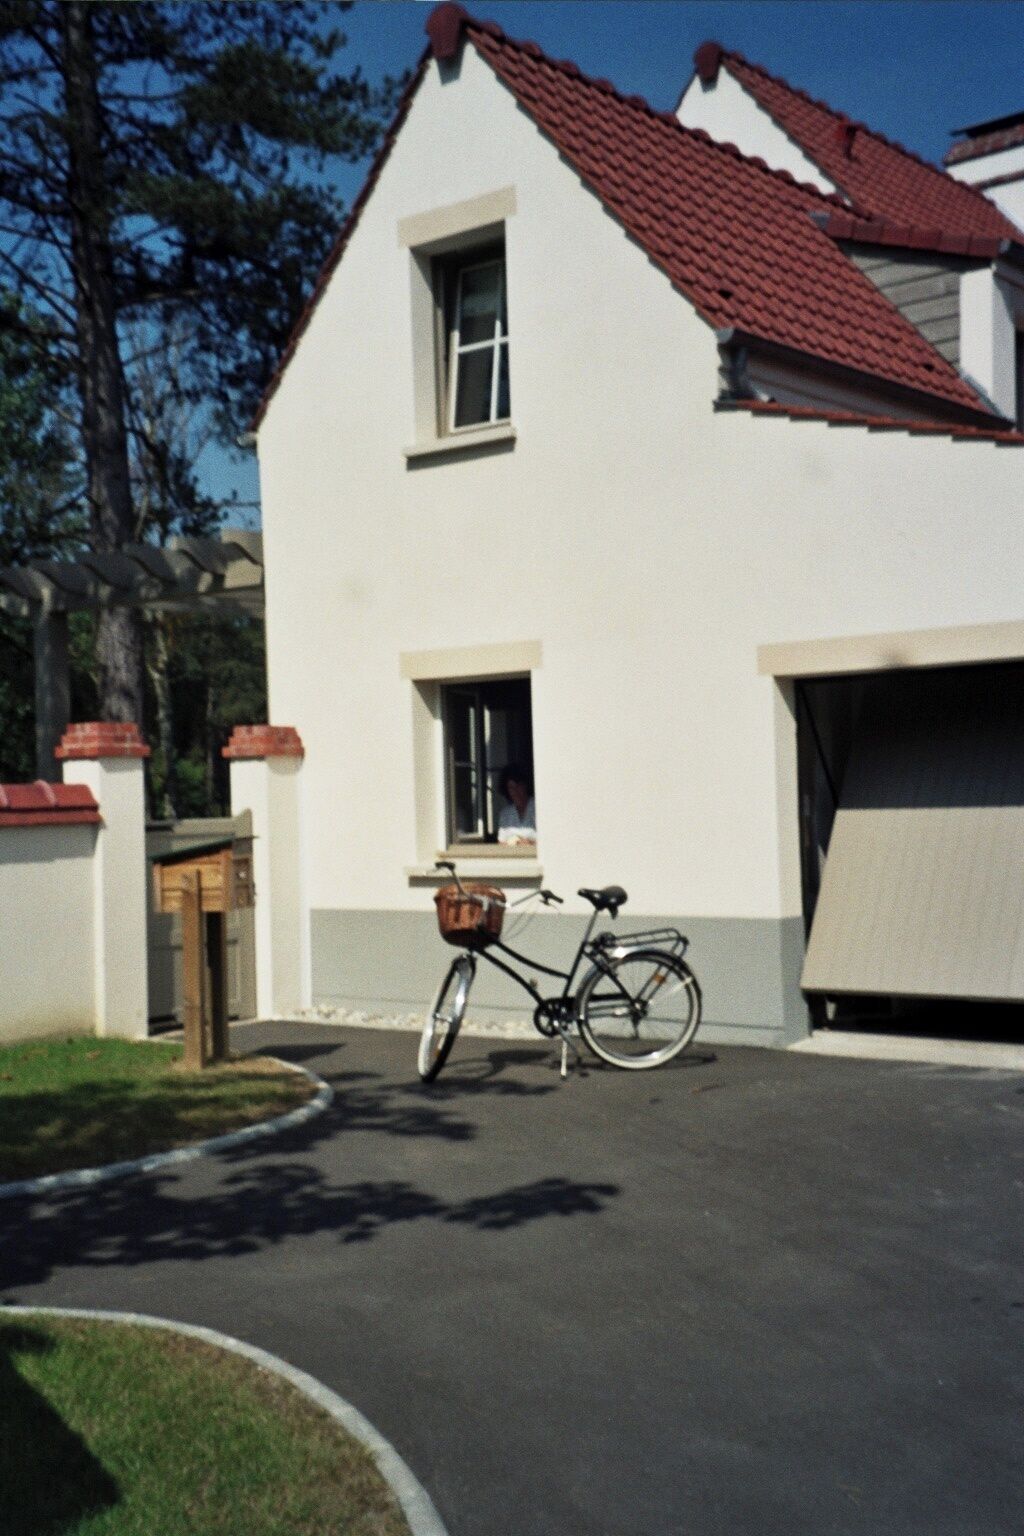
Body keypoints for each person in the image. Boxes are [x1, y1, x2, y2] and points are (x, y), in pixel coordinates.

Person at [497, 763, 537, 845]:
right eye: (511, 787)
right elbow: (501, 842)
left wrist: (531, 843)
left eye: (518, 786)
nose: (515, 791)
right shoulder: (505, 813)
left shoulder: (538, 808)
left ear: (526, 786)